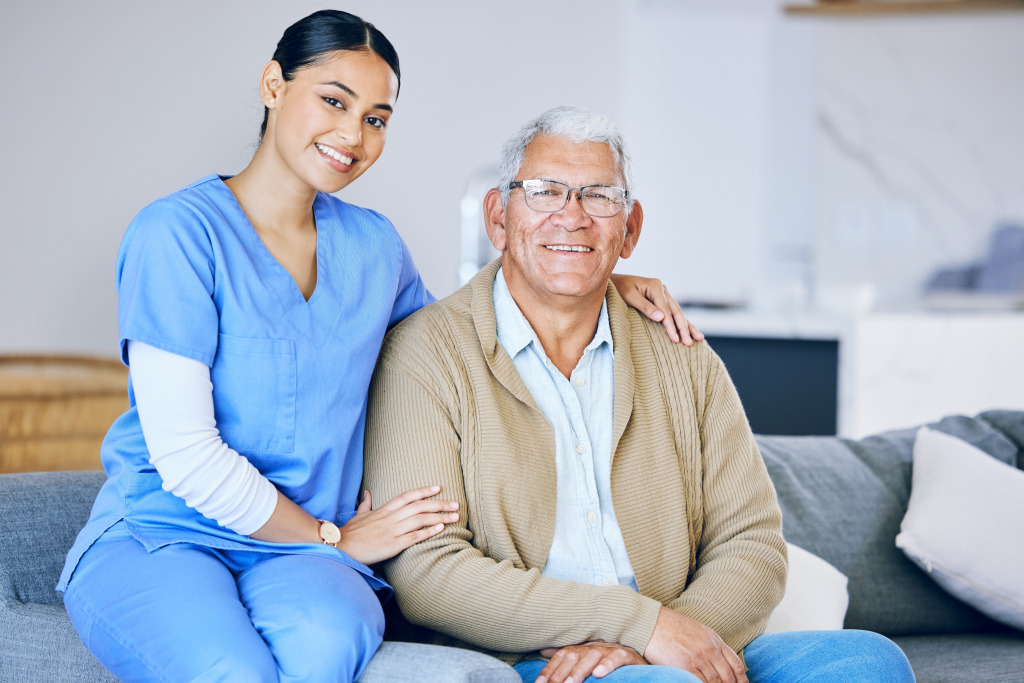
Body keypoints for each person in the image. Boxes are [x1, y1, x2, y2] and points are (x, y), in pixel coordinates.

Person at [56, 11, 697, 683]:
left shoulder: (373, 246)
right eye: (335, 101)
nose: (353, 134)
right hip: (169, 533)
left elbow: (463, 339)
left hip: (297, 563)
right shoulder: (177, 236)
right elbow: (186, 455)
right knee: (231, 670)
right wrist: (331, 537)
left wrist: (586, 273)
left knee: (327, 648)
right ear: (274, 85)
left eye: (376, 118)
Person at [363, 105, 917, 683]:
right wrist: (641, 626)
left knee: (868, 662)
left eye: (600, 195)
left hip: (679, 645)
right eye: (546, 191)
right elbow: (429, 574)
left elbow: (751, 543)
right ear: (498, 218)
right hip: (535, 661)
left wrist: (663, 639)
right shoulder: (428, 353)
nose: (572, 217)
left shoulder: (682, 353)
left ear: (629, 230)